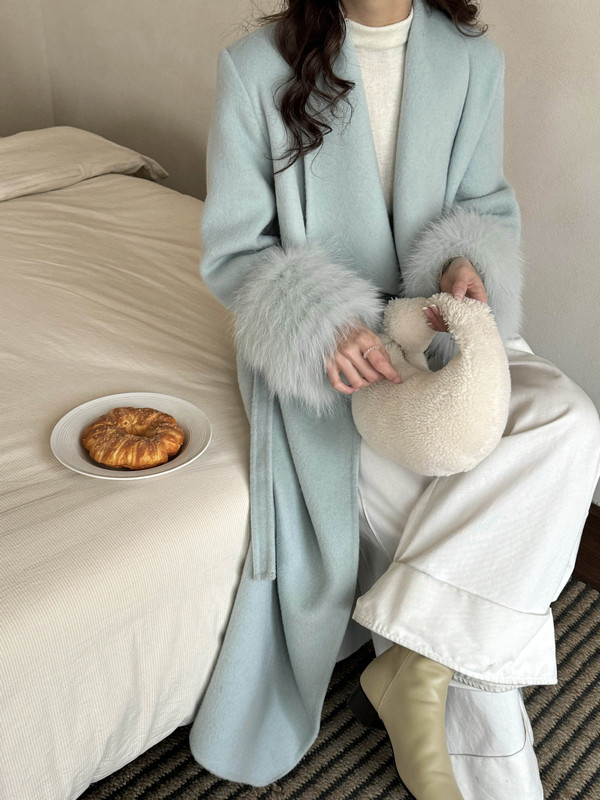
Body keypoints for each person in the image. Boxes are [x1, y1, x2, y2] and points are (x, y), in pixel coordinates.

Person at [189, 0, 600, 797]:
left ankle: (415, 660)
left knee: (572, 422)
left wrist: (464, 263)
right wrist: (322, 325)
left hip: (437, 332)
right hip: (340, 360)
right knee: (474, 545)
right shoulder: (254, 68)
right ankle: (458, 719)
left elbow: (483, 206)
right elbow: (235, 252)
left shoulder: (471, 61)